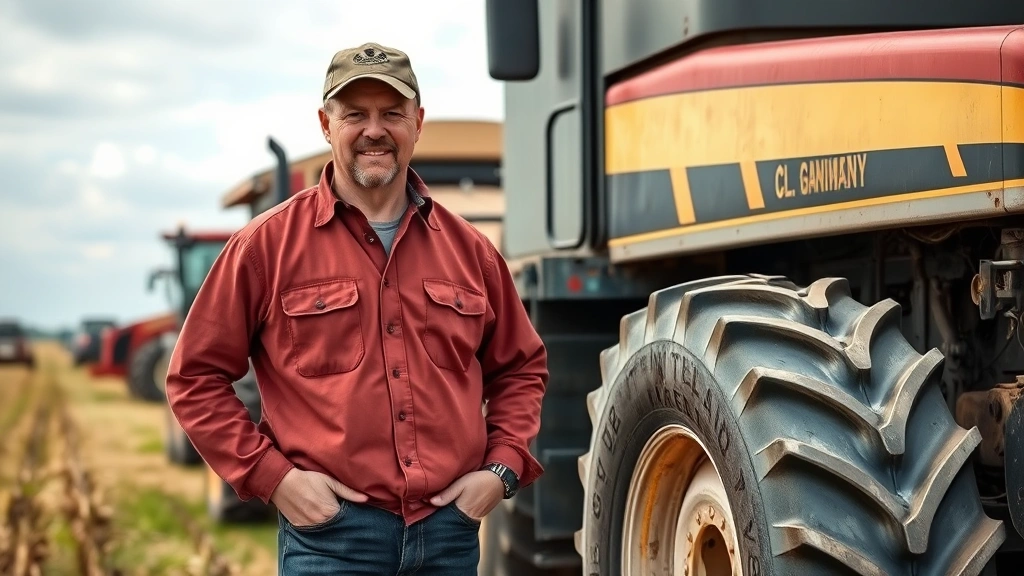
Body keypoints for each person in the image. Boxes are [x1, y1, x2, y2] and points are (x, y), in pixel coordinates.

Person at [164, 42, 548, 574]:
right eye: (354, 115)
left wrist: (500, 471)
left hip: (449, 537)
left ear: (418, 122)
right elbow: (194, 377)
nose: (374, 130)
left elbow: (521, 367)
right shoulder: (265, 247)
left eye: (392, 113)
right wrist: (272, 477)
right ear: (326, 124)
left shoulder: (471, 252)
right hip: (331, 539)